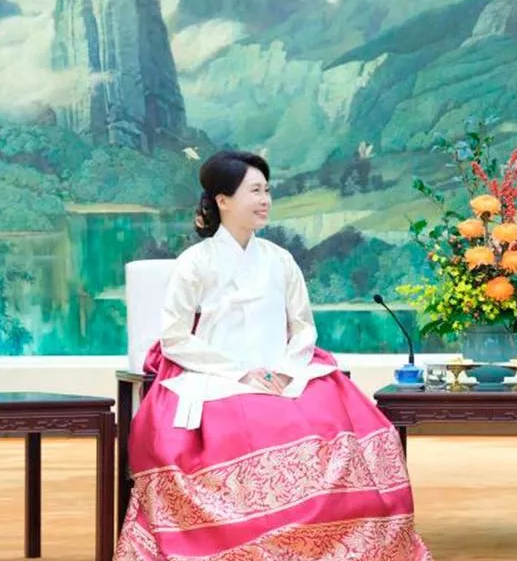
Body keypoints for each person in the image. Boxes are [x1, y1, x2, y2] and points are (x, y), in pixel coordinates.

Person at [114, 150, 432, 560]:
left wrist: (283, 369)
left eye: (267, 190)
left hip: (284, 371)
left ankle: (340, 544)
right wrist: (239, 374)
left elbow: (303, 327)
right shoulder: (195, 263)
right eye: (254, 191)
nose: (264, 199)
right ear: (223, 200)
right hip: (215, 376)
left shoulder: (280, 260)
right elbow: (175, 338)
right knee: (249, 427)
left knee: (359, 432)